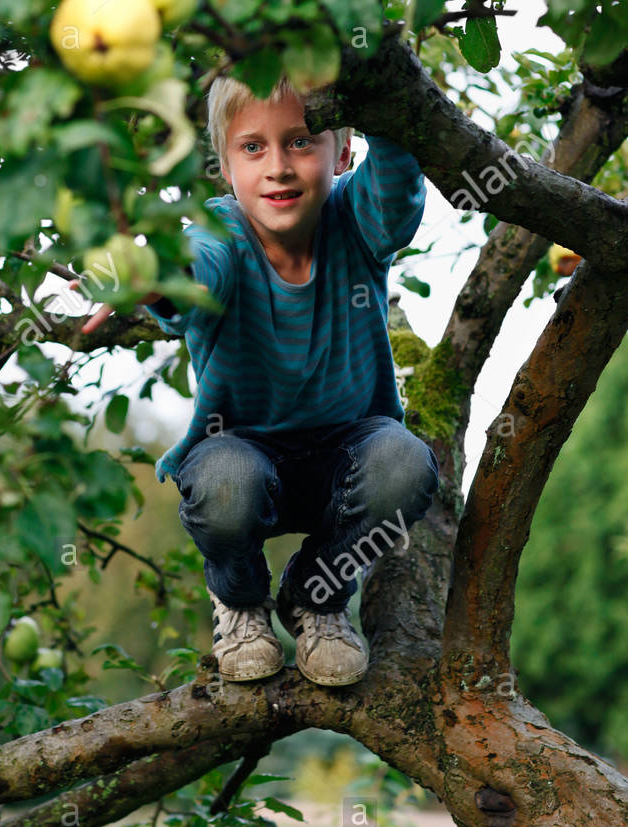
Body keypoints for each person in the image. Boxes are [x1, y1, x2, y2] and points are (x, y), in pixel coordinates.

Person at [78, 74, 440, 687]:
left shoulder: (356, 217)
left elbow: (398, 193)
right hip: (241, 452)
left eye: (301, 142)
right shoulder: (216, 230)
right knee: (224, 481)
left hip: (348, 453)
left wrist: (374, 86)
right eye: (253, 148)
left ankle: (317, 599)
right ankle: (241, 603)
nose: (278, 167)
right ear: (223, 166)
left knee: (406, 465)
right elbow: (200, 269)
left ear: (343, 152)